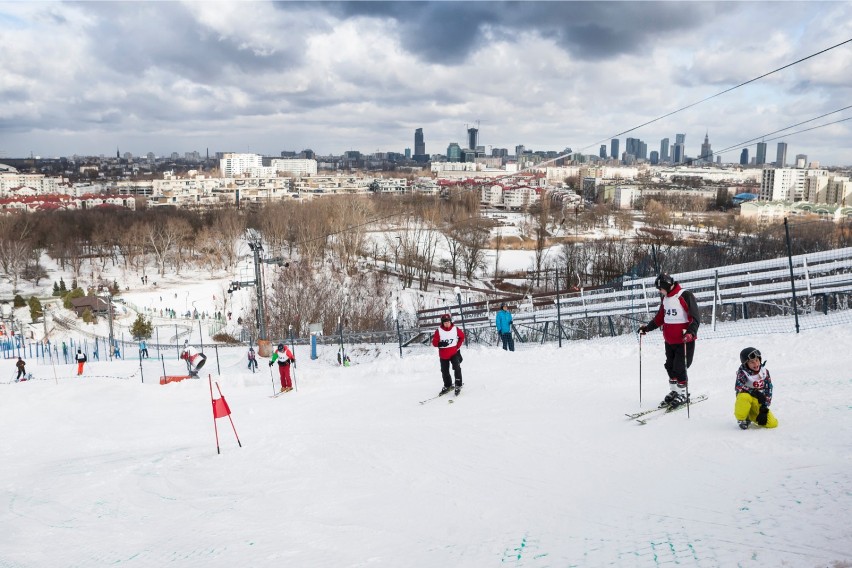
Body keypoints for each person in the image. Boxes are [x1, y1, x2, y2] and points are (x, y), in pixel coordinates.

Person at [638, 272, 700, 408]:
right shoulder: (665, 299)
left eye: (660, 289)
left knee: (680, 367)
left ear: (665, 285)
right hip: (670, 341)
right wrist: (647, 328)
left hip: (684, 341)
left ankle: (683, 393)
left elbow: (695, 317)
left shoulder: (684, 295)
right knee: (670, 367)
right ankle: (675, 392)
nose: (660, 291)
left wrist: (691, 332)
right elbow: (660, 318)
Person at [734, 347, 778, 430]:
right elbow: (738, 387)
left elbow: (768, 388)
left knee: (772, 424)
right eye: (752, 362)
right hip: (748, 398)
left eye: (757, 360)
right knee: (743, 396)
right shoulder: (743, 372)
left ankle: (751, 415)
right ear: (746, 363)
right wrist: (754, 392)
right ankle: (742, 418)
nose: (756, 364)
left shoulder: (764, 372)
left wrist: (765, 406)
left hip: (758, 401)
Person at [431, 313, 465, 396]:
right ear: (442, 323)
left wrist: (457, 346)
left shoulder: (455, 329)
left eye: (448, 322)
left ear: (450, 321)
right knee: (444, 371)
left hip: (454, 353)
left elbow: (462, 337)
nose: (447, 324)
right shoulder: (438, 331)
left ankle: (458, 384)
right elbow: (434, 343)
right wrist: (440, 344)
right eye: (445, 322)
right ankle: (448, 385)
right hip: (443, 355)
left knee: (457, 368)